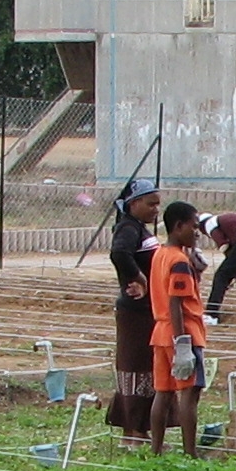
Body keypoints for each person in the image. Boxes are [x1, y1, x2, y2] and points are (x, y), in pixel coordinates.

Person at [148, 200, 209, 455]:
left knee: (163, 392)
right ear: (178, 226)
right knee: (189, 393)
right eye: (193, 227)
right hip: (183, 332)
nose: (197, 233)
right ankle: (190, 452)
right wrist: (182, 343)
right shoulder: (179, 262)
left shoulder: (161, 254)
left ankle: (156, 450)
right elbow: (176, 302)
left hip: (160, 333)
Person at [106, 186, 162, 444]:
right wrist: (138, 277)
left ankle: (140, 428)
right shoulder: (128, 228)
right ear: (134, 203)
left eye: (158, 204)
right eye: (151, 204)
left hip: (146, 311)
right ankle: (133, 430)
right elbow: (119, 253)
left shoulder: (137, 227)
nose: (156, 209)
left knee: (146, 369)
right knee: (135, 368)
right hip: (135, 312)